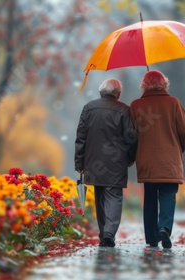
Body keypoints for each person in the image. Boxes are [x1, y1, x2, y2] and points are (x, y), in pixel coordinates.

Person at [129, 70, 185, 249]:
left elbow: (131, 135)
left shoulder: (135, 106)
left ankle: (151, 237)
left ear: (143, 85)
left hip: (147, 159)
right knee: (168, 195)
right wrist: (180, 145)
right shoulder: (173, 103)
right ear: (164, 83)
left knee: (150, 197)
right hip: (169, 159)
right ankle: (164, 227)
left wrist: (133, 155)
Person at [74, 78, 137, 247]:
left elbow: (81, 137)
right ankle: (109, 232)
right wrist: (130, 158)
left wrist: (79, 163)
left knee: (100, 197)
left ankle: (104, 234)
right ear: (118, 93)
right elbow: (131, 138)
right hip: (116, 162)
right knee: (114, 197)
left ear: (101, 92)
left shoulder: (88, 108)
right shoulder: (124, 110)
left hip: (94, 161)